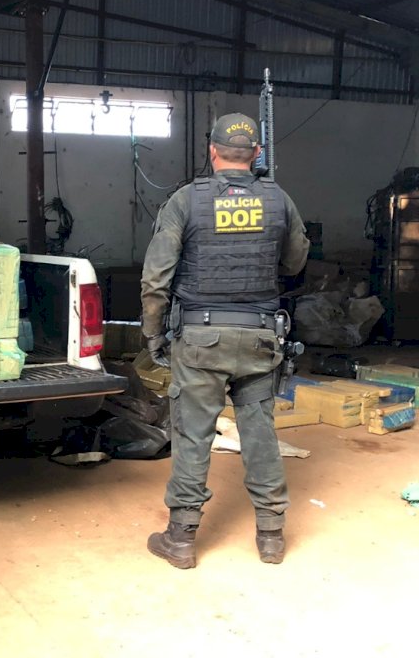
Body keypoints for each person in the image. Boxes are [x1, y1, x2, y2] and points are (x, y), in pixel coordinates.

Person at [140, 112, 309, 569]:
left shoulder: (185, 201)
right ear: (256, 154)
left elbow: (156, 278)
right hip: (260, 337)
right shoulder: (278, 200)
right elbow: (295, 262)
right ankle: (271, 536)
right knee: (259, 432)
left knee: (192, 436)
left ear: (211, 150)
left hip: (199, 340)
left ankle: (180, 539)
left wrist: (153, 333)